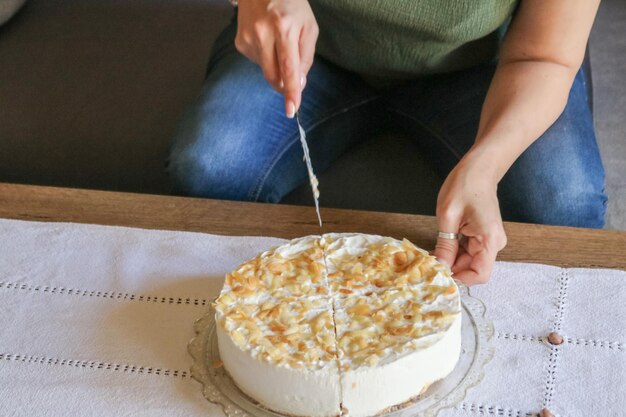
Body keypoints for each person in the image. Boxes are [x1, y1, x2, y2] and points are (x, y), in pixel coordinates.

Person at [168, 0, 607, 285]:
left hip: (485, 65)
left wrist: (486, 165)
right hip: (312, 48)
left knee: (564, 207)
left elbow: (545, 54)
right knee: (212, 166)